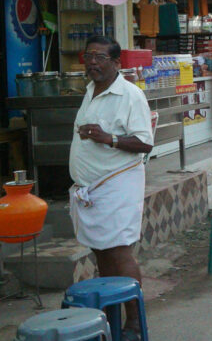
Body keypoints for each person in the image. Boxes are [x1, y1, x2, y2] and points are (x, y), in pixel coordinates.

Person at [69, 36, 154, 341]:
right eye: (89, 56)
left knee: (119, 251)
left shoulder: (130, 95)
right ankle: (111, 312)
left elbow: (145, 142)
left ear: (117, 63)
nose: (92, 62)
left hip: (117, 185)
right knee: (101, 251)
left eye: (100, 57)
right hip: (92, 189)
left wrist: (110, 139)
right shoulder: (90, 90)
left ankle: (133, 320)